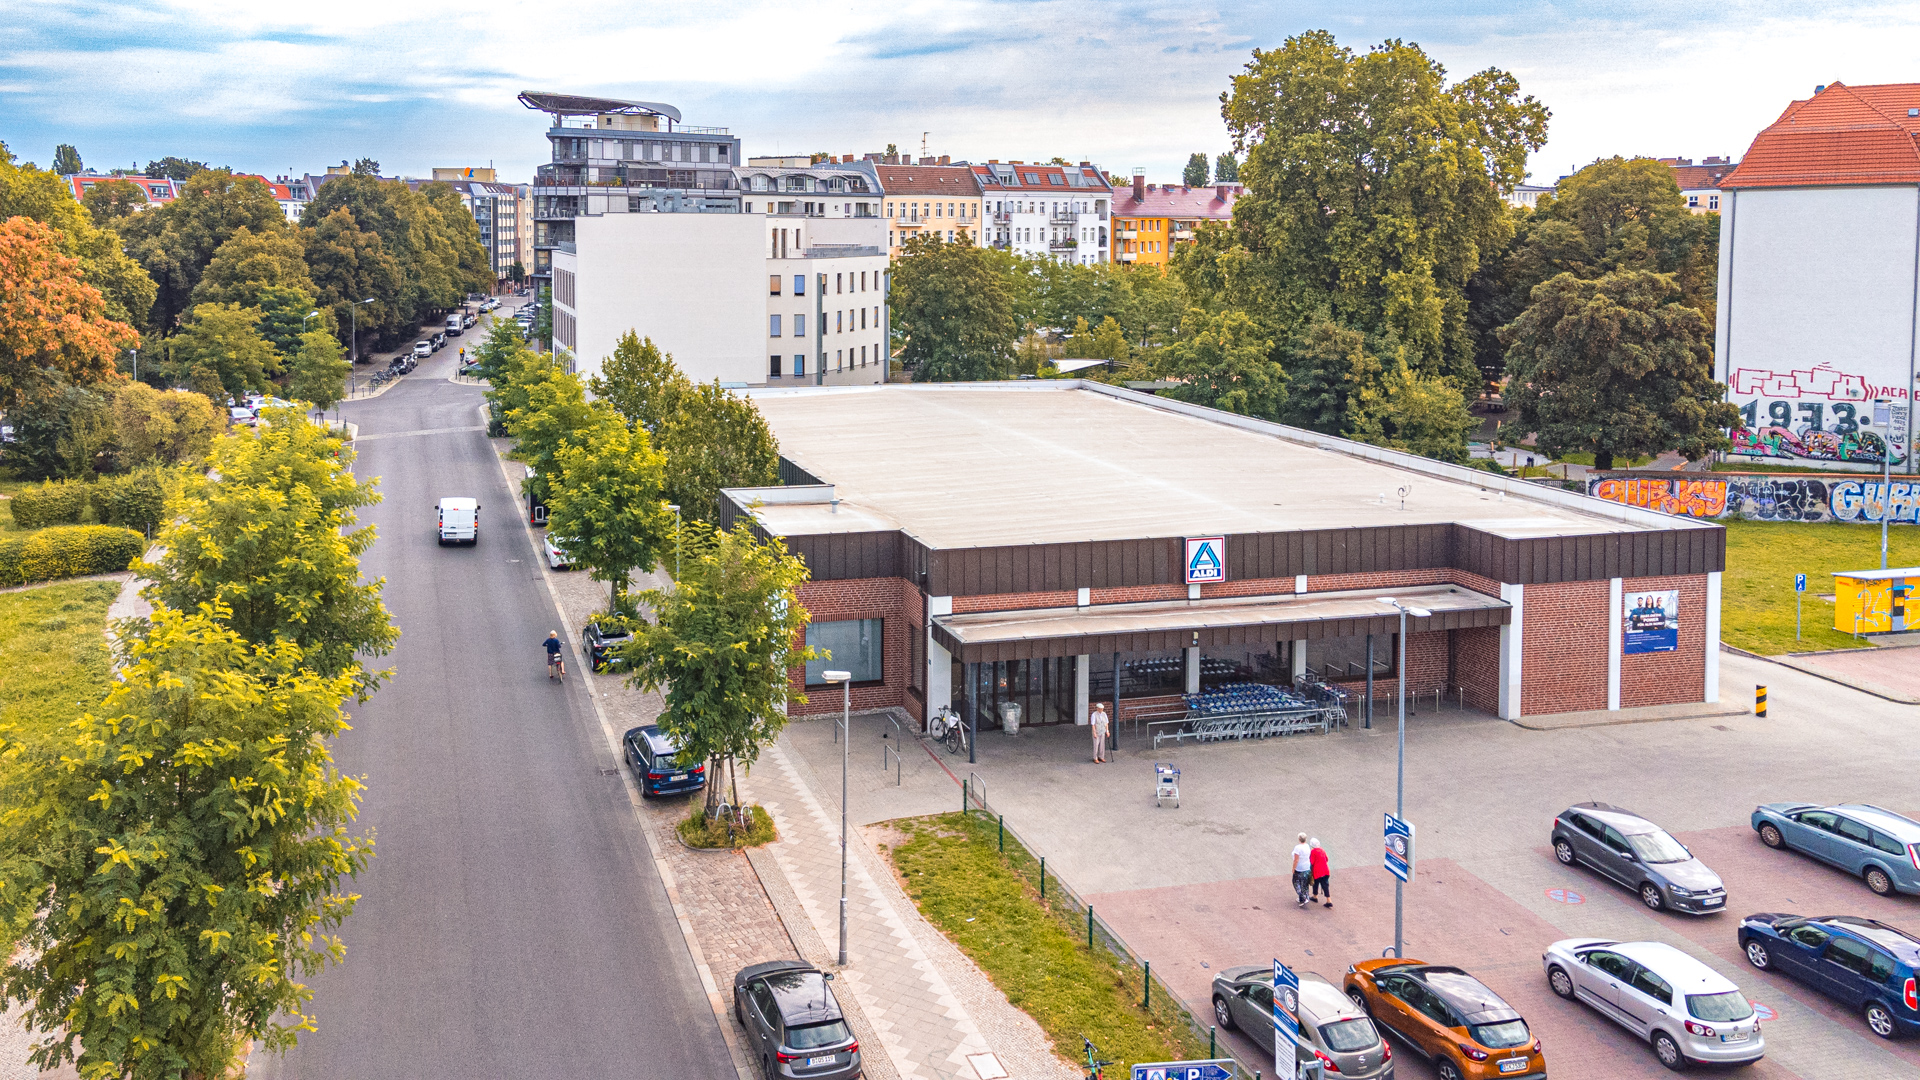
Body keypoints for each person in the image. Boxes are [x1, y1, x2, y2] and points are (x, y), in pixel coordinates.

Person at [1290, 833, 1313, 908]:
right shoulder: (1307, 846)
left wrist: (1293, 868)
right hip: (1307, 867)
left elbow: (1296, 860)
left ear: (1299, 839)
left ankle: (1303, 897)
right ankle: (1306, 897)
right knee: (1304, 883)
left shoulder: (1298, 848)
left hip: (1299, 868)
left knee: (1296, 882)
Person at [1310, 839, 1332, 908]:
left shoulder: (1313, 851)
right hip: (1325, 870)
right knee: (1325, 885)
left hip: (1317, 871)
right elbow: (1327, 859)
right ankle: (1328, 900)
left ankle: (1315, 896)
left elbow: (1312, 862)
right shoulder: (1322, 850)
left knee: (1315, 884)